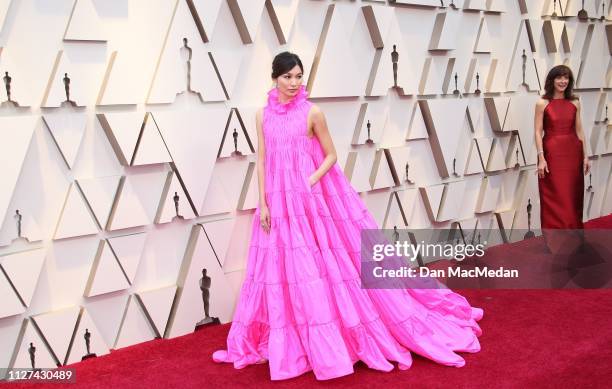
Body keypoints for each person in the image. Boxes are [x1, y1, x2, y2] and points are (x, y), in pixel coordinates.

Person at [212, 51, 483, 381]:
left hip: (308, 200)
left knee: (317, 265)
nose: (294, 83)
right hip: (277, 203)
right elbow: (263, 160)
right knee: (284, 267)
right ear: (275, 79)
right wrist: (264, 204)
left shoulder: (313, 113)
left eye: (299, 76)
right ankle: (294, 336)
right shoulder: (261, 116)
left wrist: (309, 181)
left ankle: (329, 336)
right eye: (287, 77)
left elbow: (331, 156)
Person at [535, 65, 590, 230]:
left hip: (573, 153)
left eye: (566, 77)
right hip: (552, 154)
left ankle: (574, 240)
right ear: (552, 80)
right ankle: (555, 241)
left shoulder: (575, 102)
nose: (563, 81)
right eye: (559, 77)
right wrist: (541, 158)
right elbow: (538, 132)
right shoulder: (542, 103)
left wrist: (585, 156)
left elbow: (579, 130)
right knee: (555, 197)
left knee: (573, 197)